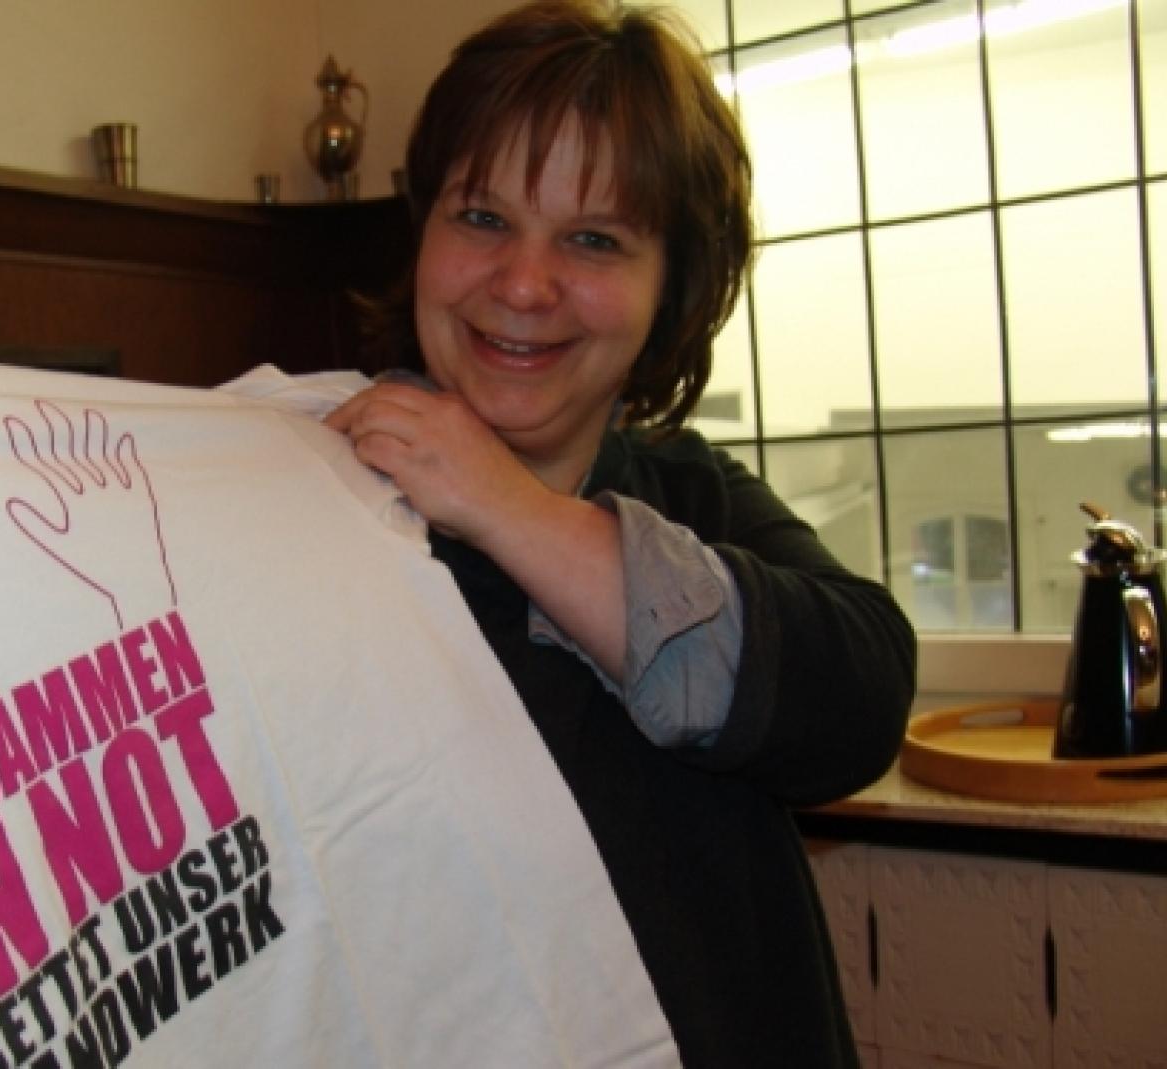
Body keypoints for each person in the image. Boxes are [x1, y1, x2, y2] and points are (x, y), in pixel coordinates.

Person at [324, 1, 916, 1065]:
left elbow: (859, 700)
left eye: (594, 239)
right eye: (480, 217)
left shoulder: (697, 492)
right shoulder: (308, 503)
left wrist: (506, 506)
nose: (522, 283)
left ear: (668, 288)